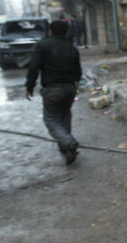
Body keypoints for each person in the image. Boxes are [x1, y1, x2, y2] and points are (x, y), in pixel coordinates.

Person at [26, 20, 82, 165]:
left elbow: (33, 68)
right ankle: (67, 149)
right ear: (65, 32)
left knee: (51, 119)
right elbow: (78, 71)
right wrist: (74, 84)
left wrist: (29, 87)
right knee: (65, 116)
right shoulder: (71, 48)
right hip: (69, 88)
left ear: (50, 31)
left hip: (52, 89)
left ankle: (68, 142)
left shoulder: (42, 46)